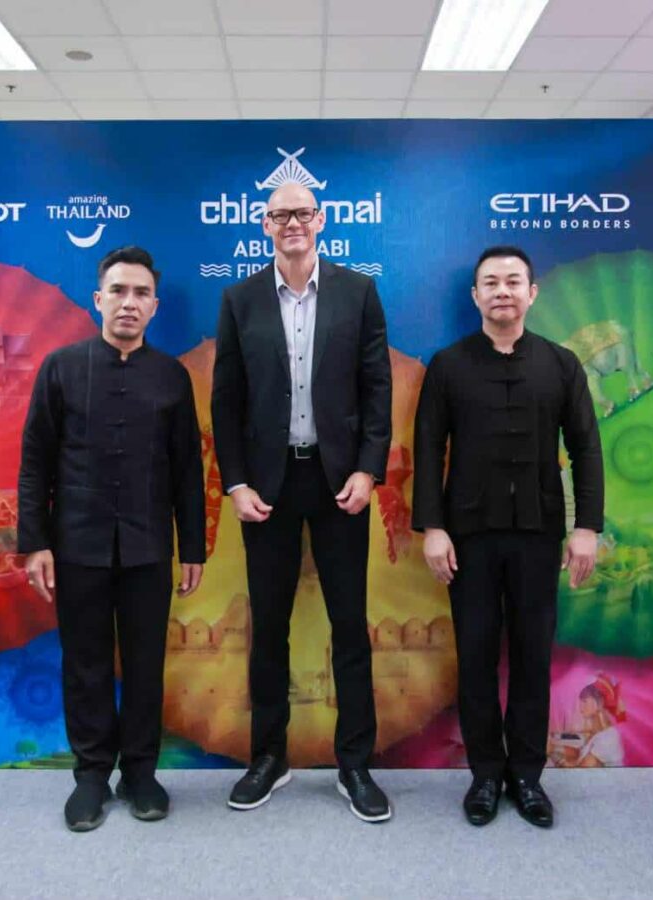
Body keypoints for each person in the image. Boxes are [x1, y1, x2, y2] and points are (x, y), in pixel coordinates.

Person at [211, 181, 394, 822]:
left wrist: (369, 470)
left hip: (339, 481)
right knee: (269, 627)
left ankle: (355, 765)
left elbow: (377, 388)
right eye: (280, 214)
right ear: (264, 225)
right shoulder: (239, 299)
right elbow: (226, 400)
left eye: (302, 212)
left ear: (320, 220)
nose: (292, 222)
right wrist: (236, 482)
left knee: (349, 624)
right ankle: (269, 757)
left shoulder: (357, 292)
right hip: (267, 485)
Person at [412, 245, 604, 829]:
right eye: (491, 282)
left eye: (513, 281)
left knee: (531, 656)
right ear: (475, 296)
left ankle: (526, 776)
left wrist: (587, 527)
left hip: (538, 533)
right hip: (467, 537)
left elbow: (586, 447)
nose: (503, 291)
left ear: (531, 293)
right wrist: (433, 527)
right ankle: (485, 776)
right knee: (474, 657)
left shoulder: (561, 364)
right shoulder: (448, 365)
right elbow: (428, 448)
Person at [17, 246, 205, 832]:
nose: (129, 303)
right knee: (86, 663)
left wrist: (192, 546)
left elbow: (187, 470)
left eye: (141, 293)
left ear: (155, 306)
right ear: (98, 299)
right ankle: (92, 776)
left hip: (149, 545)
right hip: (78, 544)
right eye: (118, 291)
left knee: (146, 664)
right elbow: (35, 463)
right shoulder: (62, 368)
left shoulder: (171, 376)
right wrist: (35, 541)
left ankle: (141, 772)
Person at [552, 675, 626, 769]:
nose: (580, 706)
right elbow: (580, 753)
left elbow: (580, 771)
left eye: (584, 701)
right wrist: (555, 748)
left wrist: (556, 757)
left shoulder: (607, 738)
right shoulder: (599, 733)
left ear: (600, 703)